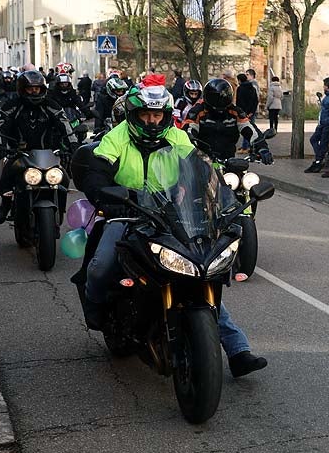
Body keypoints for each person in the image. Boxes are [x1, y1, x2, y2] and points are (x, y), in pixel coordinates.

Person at [76, 80, 267, 377]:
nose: (152, 121)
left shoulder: (177, 137)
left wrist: (223, 202)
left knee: (198, 272)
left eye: (158, 115)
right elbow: (98, 168)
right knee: (100, 267)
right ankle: (97, 309)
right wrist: (105, 193)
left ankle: (238, 349)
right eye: (145, 115)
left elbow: (202, 172)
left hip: (169, 214)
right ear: (134, 114)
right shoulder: (117, 137)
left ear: (166, 115)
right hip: (126, 212)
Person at [0, 71, 80, 224]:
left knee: (63, 177)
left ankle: (60, 209)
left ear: (42, 89)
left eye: (37, 88)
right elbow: (0, 126)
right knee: (7, 174)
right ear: (22, 89)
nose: (34, 91)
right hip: (19, 153)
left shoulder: (51, 105)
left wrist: (73, 144)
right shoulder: (12, 106)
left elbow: (64, 123)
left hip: (49, 153)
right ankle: (5, 206)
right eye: (30, 88)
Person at [184, 78, 253, 160]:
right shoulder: (197, 111)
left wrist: (261, 147)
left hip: (229, 160)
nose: (220, 102)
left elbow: (249, 128)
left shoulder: (235, 112)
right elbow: (189, 130)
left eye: (223, 98)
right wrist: (190, 145)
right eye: (215, 98)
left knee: (241, 171)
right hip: (203, 160)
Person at [304, 78, 329, 173]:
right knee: (314, 139)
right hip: (323, 124)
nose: (323, 87)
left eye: (324, 85)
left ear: (327, 87)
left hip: (328, 124)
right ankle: (319, 159)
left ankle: (319, 162)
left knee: (324, 144)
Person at [235, 73, 259, 150]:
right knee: (251, 129)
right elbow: (255, 101)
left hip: (243, 113)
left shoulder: (240, 89)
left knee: (244, 129)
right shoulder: (252, 88)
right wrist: (251, 112)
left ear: (239, 80)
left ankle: (245, 147)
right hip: (251, 112)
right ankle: (250, 146)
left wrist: (241, 112)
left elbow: (239, 102)